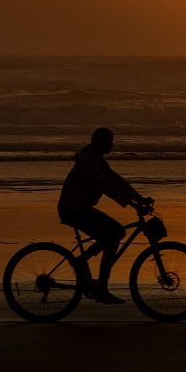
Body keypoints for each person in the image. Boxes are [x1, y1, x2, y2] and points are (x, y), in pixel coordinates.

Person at [57, 127, 151, 304]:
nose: (113, 145)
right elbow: (105, 187)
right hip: (73, 209)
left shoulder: (97, 160)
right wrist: (132, 204)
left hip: (80, 208)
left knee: (114, 234)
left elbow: (117, 181)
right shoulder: (88, 161)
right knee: (114, 234)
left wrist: (139, 198)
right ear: (100, 142)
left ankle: (83, 264)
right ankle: (101, 287)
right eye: (110, 141)